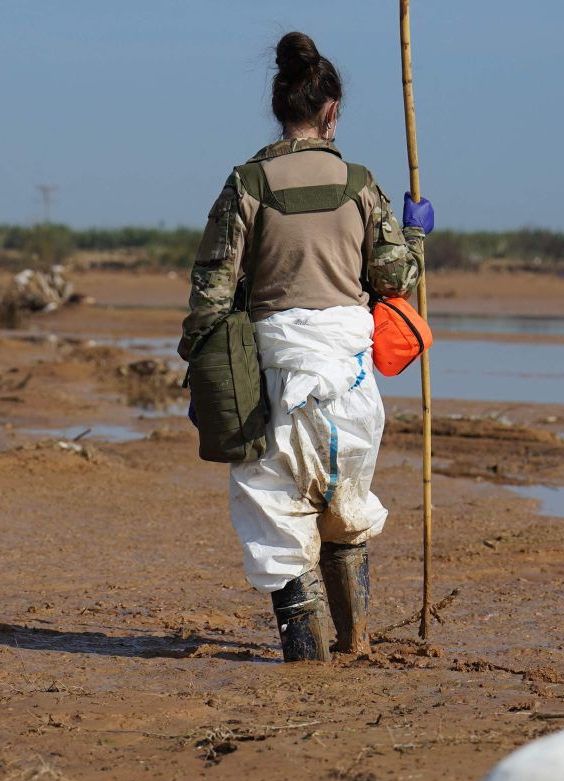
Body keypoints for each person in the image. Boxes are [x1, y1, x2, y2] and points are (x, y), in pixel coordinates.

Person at [179, 32, 433, 663]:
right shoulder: (361, 184)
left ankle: (309, 661)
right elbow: (395, 281)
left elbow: (209, 295)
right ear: (331, 110)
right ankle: (359, 644)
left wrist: (204, 374)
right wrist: (416, 237)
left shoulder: (245, 184)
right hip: (350, 380)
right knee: (346, 512)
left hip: (269, 375)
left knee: (280, 523)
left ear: (279, 107)